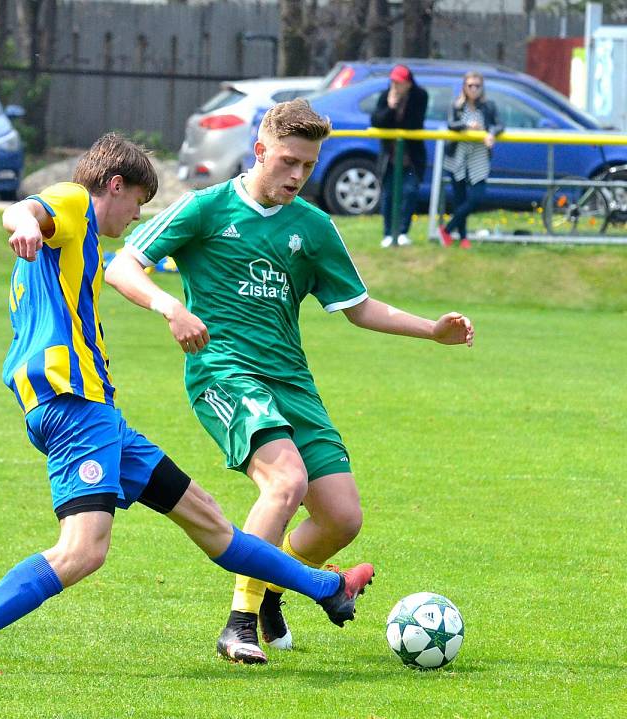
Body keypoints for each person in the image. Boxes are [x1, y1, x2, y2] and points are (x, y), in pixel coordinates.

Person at [0, 133, 376, 674]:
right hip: (73, 405)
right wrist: (23, 225)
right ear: (114, 185)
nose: (136, 215)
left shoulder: (71, 236)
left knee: (207, 517)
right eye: (137, 202)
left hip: (93, 412)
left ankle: (325, 586)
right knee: (83, 551)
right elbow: (24, 210)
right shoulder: (73, 203)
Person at [104, 101, 475, 665]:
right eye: (287, 161)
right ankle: (240, 624)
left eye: (308, 165)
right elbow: (122, 266)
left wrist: (432, 331)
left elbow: (359, 306)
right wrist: (169, 307)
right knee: (285, 481)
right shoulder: (207, 208)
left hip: (292, 382)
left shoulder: (314, 226)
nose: (298, 176)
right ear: (259, 151)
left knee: (342, 518)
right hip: (224, 371)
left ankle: (273, 590)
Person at [439, 71, 504, 249]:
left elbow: (499, 125)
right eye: (470, 86)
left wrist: (490, 133)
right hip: (458, 156)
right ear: (464, 87)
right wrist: (468, 126)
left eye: (477, 86)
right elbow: (451, 124)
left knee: (476, 197)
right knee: (460, 199)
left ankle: (447, 229)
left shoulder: (488, 106)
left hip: (479, 156)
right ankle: (463, 238)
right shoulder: (457, 105)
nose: (474, 89)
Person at [371, 64, 429, 248]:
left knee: (410, 192)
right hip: (390, 155)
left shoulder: (420, 96)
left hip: (411, 155)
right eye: (393, 82)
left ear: (408, 83)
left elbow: (414, 124)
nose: (395, 86)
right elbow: (377, 122)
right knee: (388, 194)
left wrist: (400, 106)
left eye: (399, 82)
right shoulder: (385, 96)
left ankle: (403, 232)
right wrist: (390, 107)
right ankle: (388, 233)